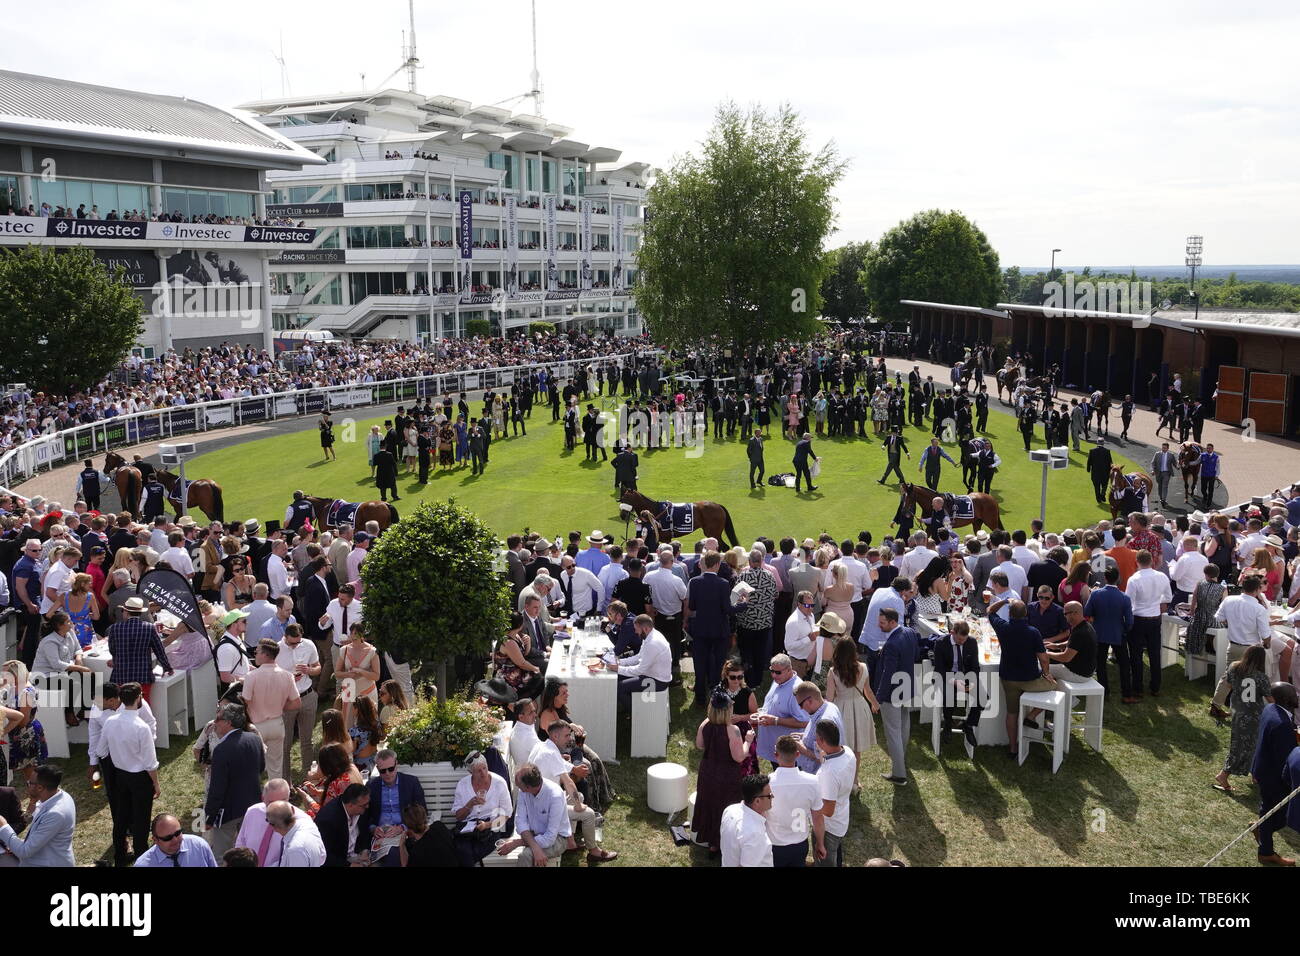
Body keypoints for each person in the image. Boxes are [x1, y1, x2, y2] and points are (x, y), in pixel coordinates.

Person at [989, 600, 1056, 758]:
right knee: (1055, 686)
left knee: (1011, 713)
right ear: (1026, 614)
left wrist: (1005, 601)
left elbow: (990, 611)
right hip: (1030, 680)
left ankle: (1012, 748)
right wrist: (1047, 674)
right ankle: (1032, 715)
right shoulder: (1033, 632)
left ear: (1010, 614)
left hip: (1008, 678)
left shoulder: (1003, 627)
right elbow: (1044, 659)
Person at [690, 689, 753, 854]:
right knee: (726, 808)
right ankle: (724, 844)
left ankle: (712, 843)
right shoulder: (733, 730)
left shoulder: (705, 724)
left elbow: (699, 745)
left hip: (708, 771)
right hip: (727, 774)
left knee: (710, 805)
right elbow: (739, 757)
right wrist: (748, 742)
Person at [102, 682, 159, 866]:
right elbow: (150, 762)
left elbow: (101, 749)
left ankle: (120, 856)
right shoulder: (141, 727)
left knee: (121, 817)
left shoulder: (110, 722)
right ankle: (142, 856)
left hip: (120, 776)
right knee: (141, 819)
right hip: (139, 778)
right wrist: (156, 784)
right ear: (139, 698)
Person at [204, 702, 266, 857]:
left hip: (228, 812)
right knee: (250, 853)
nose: (214, 723)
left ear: (228, 723)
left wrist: (209, 817)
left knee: (222, 855)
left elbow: (217, 789)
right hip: (252, 804)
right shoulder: (254, 739)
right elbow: (261, 768)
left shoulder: (221, 750)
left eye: (218, 719)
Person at [1250, 682, 1299, 866]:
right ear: (1287, 700)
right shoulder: (1282, 725)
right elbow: (1287, 760)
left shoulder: (1270, 708)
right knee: (1281, 817)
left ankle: (1260, 828)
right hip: (1274, 777)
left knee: (1267, 807)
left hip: (1263, 768)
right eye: (1295, 694)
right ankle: (1266, 852)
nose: (1297, 697)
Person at [1212, 645, 1270, 795]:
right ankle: (1223, 775)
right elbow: (1270, 698)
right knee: (1243, 746)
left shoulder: (1234, 667)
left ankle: (1254, 774)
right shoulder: (1261, 677)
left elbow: (1228, 685)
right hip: (1253, 715)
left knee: (1249, 744)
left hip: (1238, 711)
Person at [824, 633, 878, 785]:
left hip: (841, 709)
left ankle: (841, 781)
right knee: (857, 749)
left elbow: (829, 697)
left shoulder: (833, 672)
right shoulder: (863, 667)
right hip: (860, 707)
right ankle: (854, 781)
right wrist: (874, 704)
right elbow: (867, 690)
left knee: (841, 748)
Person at [0, 764, 75, 866]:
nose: (27, 785)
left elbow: (24, 852)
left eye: (29, 783)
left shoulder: (55, 814)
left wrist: (3, 826)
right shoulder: (63, 796)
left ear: (40, 787)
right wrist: (15, 844)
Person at [766, 734, 824, 866]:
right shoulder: (813, 781)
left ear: (776, 755)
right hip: (800, 844)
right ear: (798, 754)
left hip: (775, 844)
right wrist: (820, 843)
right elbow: (818, 818)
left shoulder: (767, 783)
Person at [685, 551, 733, 707]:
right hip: (719, 630)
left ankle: (700, 697)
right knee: (719, 664)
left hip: (700, 629)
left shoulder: (695, 582)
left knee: (700, 663)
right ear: (717, 564)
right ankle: (716, 695)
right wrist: (743, 605)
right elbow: (727, 609)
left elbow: (691, 607)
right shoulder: (723, 584)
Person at [498, 764, 571, 867]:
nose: (517, 786)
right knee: (530, 852)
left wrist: (516, 843)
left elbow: (550, 838)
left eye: (518, 784)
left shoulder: (555, 796)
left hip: (557, 839)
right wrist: (535, 847)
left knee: (526, 855)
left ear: (528, 787)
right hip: (533, 834)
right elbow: (520, 822)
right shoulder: (524, 791)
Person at [106, 596, 173, 705]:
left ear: (126, 612)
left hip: (120, 675)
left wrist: (115, 660)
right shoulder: (149, 627)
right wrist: (167, 667)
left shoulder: (115, 628)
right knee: (143, 706)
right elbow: (159, 650)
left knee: (121, 707)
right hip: (143, 676)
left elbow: (112, 649)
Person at [1124, 550, 1171, 699]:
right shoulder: (1161, 576)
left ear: (1137, 562)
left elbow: (1128, 602)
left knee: (1136, 655)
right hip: (1154, 618)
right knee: (1154, 653)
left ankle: (1138, 687)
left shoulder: (1134, 579)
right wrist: (1156, 602)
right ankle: (1155, 686)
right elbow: (1168, 596)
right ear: (1151, 561)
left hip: (1138, 618)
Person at [450, 753, 510, 867]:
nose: (483, 773)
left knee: (469, 853)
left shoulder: (499, 783)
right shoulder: (463, 784)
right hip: (467, 828)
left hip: (492, 827)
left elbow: (506, 815)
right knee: (462, 850)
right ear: (470, 772)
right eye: (478, 771)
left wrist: (486, 825)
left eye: (484, 768)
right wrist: (470, 804)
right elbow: (458, 817)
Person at [1084, 565, 1133, 701]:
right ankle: (1127, 693)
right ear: (1118, 579)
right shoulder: (1125, 598)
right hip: (1118, 633)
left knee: (1100, 664)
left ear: (1105, 578)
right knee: (1124, 664)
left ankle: (1104, 692)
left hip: (1100, 633)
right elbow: (1129, 621)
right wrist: (1124, 630)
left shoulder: (1095, 594)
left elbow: (1087, 612)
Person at [812, 719, 854, 867]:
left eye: (816, 737)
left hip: (828, 828)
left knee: (825, 863)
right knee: (836, 856)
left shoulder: (829, 773)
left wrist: (808, 804)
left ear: (821, 740)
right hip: (841, 819)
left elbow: (828, 811)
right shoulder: (848, 752)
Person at [607, 614, 672, 708]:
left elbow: (639, 670)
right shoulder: (651, 635)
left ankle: (636, 714)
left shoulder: (652, 643)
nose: (635, 632)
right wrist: (620, 662)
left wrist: (618, 668)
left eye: (636, 629)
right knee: (618, 677)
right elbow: (638, 657)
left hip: (657, 681)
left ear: (645, 629)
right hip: (651, 674)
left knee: (620, 687)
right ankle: (622, 705)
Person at [719, 773, 773, 867]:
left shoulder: (730, 809)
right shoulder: (755, 833)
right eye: (769, 795)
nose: (772, 797)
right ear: (757, 801)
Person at [134, 812, 218, 867]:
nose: (175, 840)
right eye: (168, 838)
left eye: (178, 833)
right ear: (155, 840)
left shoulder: (199, 846)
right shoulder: (143, 864)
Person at [317, 782, 371, 866]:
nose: (367, 807)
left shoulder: (361, 808)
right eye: (364, 805)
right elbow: (323, 855)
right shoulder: (327, 820)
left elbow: (365, 831)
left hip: (357, 855)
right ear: (350, 805)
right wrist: (349, 865)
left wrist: (364, 850)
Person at [263, 799, 327, 867]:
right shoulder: (307, 823)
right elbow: (322, 856)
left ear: (273, 827)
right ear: (293, 810)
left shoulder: (295, 851)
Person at [1047, 602, 1097, 683]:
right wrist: (1056, 645)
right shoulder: (1085, 625)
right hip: (1086, 671)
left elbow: (1065, 658)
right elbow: (1074, 643)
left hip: (1078, 674)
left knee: (1040, 666)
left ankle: (1046, 692)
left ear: (1075, 613)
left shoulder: (1080, 632)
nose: (1064, 616)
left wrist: (1045, 654)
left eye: (1065, 614)